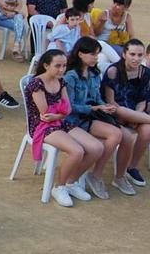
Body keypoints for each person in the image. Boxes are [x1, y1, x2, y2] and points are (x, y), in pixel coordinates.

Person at [25, 49, 102, 207]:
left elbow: (66, 109)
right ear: (46, 66)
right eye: (57, 66)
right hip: (42, 127)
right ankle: (58, 187)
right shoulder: (36, 84)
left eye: (64, 66)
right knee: (77, 151)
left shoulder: (61, 81)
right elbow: (46, 114)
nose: (62, 69)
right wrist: (60, 113)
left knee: (97, 148)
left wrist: (59, 115)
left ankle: (71, 183)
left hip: (60, 122)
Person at [64, 37, 127, 200]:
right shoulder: (70, 76)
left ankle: (96, 175)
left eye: (97, 54)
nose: (96, 58)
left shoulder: (93, 73)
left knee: (118, 134)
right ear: (80, 54)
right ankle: (94, 176)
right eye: (92, 54)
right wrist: (95, 108)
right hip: (74, 120)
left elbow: (96, 97)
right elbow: (70, 107)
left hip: (90, 115)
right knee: (115, 134)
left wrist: (104, 105)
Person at [102, 39, 150, 193]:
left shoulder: (145, 73)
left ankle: (132, 167)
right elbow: (111, 102)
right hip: (114, 113)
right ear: (124, 54)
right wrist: (132, 117)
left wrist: (137, 115)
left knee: (147, 130)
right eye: (132, 54)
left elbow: (143, 99)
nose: (136, 58)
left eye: (140, 55)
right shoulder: (113, 71)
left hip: (136, 113)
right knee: (121, 110)